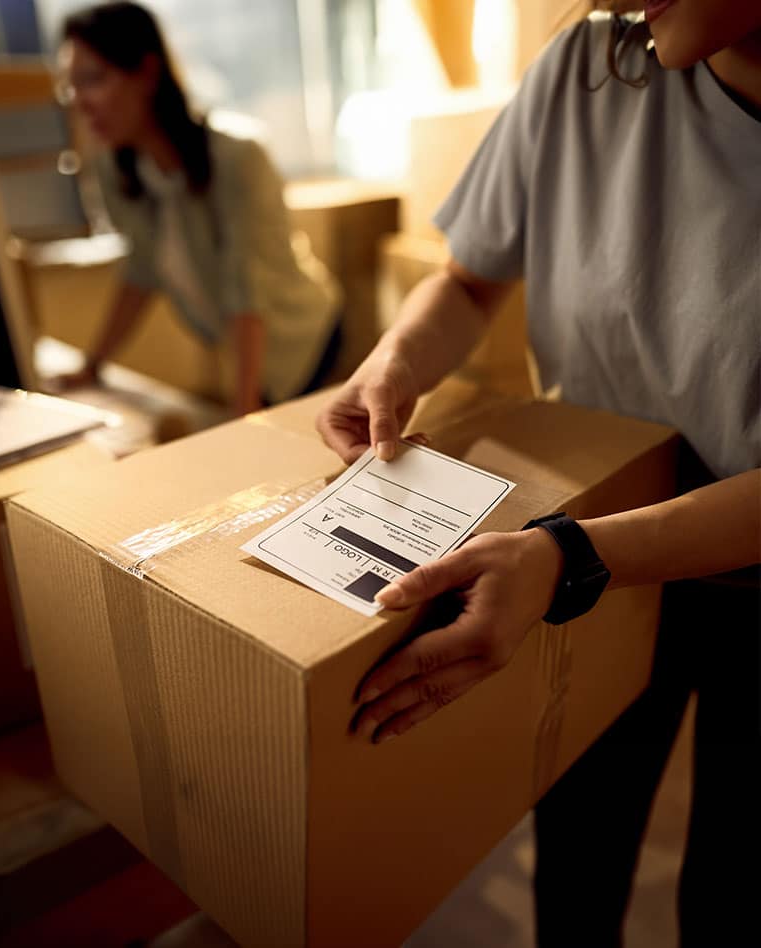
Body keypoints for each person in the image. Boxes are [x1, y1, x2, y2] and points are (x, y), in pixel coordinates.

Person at [316, 2, 760, 947]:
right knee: (578, 860)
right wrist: (397, 359)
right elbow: (471, 279)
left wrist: (569, 559)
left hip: (652, 568)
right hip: (583, 561)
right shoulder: (589, 67)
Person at [55, 1, 342, 416]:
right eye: (70, 85)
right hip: (243, 349)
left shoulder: (237, 156)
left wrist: (244, 407)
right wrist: (91, 367)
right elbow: (141, 271)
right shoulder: (115, 167)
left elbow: (246, 290)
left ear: (147, 73)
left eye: (93, 79)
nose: (79, 101)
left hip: (303, 338)